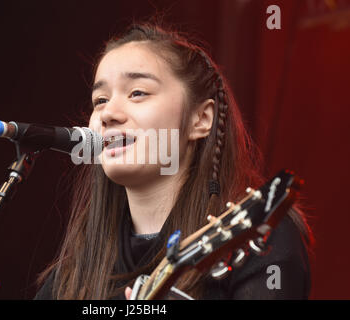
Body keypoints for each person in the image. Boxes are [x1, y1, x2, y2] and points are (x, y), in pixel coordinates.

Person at [34, 21, 313, 300]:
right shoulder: (72, 273)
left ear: (201, 119)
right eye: (100, 100)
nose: (108, 114)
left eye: (137, 93)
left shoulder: (259, 235)